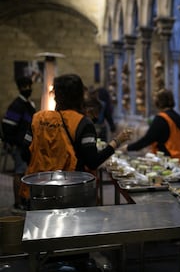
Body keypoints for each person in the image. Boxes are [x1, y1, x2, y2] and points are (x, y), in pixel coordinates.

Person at [21, 74, 132, 203]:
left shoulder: (37, 119)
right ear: (80, 96)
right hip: (70, 193)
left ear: (55, 94)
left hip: (39, 192)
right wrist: (117, 141)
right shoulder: (82, 123)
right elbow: (92, 162)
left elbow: (24, 153)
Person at [119, 88, 180, 163]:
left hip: (169, 161)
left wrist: (127, 148)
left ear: (158, 102)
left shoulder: (161, 119)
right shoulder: (177, 116)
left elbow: (147, 140)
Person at [2, 76, 36, 210]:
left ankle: (24, 198)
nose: (28, 89)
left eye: (29, 86)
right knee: (19, 172)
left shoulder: (28, 104)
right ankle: (17, 202)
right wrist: (15, 143)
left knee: (25, 173)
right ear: (19, 88)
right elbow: (7, 127)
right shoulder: (17, 105)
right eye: (24, 87)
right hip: (19, 146)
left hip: (26, 145)